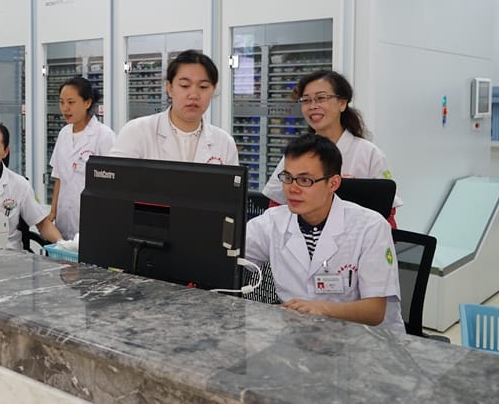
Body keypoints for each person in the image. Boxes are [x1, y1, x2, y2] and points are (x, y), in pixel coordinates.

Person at [246, 133, 404, 333]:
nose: (292, 189)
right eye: (288, 178)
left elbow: (374, 311)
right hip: (298, 334)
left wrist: (321, 309)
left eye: (305, 180)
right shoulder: (272, 221)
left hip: (363, 339)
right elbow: (228, 256)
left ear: (333, 183)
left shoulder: (371, 227)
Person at [261, 70, 401, 226]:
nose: (313, 106)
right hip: (303, 235)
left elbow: (388, 214)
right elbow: (275, 206)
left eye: (321, 98)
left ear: (342, 103)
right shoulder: (298, 152)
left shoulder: (369, 154)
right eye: (306, 100)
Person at [110, 49, 238, 165]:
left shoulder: (224, 143)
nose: (194, 95)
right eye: (184, 85)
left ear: (213, 90)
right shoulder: (137, 132)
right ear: (169, 88)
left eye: (203, 87)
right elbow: (116, 180)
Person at [48, 76, 116, 240]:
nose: (65, 108)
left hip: (93, 219)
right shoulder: (64, 134)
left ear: (87, 103)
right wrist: (53, 212)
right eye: (62, 102)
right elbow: (58, 177)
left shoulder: (104, 136)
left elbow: (113, 184)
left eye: (71, 102)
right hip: (63, 220)